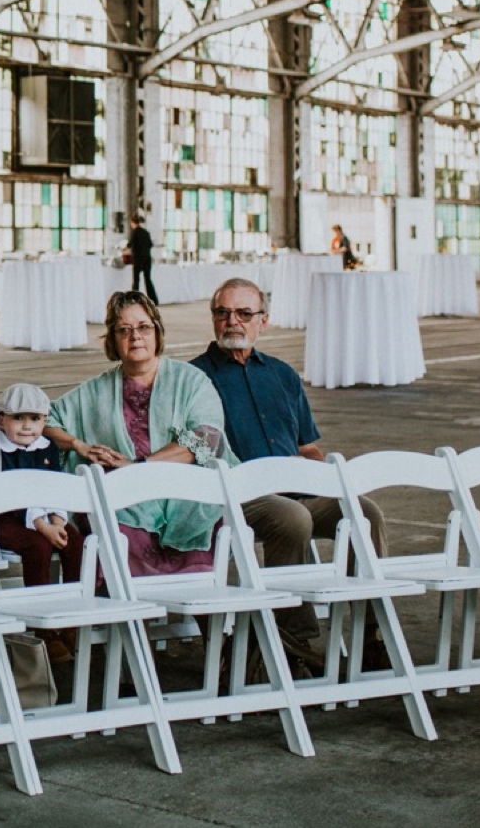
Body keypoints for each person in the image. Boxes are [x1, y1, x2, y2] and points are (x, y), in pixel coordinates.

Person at [191, 277, 386, 670]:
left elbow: (306, 448)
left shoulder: (281, 375)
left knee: (364, 513)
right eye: (223, 312)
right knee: (291, 517)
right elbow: (192, 447)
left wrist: (333, 481)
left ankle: (372, 634)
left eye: (244, 313)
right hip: (234, 498)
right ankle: (293, 640)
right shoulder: (194, 378)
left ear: (263, 320)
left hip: (297, 492)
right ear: (213, 319)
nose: (233, 321)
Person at [45, 291, 232, 577]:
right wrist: (78, 445)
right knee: (115, 529)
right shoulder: (95, 390)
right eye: (124, 330)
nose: (135, 337)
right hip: (127, 503)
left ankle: (200, 616)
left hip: (186, 496)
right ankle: (135, 617)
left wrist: (139, 467)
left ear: (157, 331)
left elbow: (207, 439)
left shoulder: (191, 380)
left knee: (203, 532)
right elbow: (46, 420)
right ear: (112, 339)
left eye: (144, 327)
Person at [0, 382, 84, 662]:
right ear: (1, 420)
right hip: (8, 516)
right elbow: (10, 494)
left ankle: (71, 616)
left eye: (34, 419)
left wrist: (57, 520)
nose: (26, 427)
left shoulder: (47, 448)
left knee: (74, 541)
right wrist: (43, 527)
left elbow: (54, 486)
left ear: (45, 421)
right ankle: (42, 624)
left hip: (45, 512)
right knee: (38, 547)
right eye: (17, 418)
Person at [127, 216, 158, 305]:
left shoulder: (134, 232)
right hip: (147, 258)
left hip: (138, 258)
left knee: (136, 280)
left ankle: (134, 300)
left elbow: (130, 245)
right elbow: (150, 244)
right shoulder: (146, 232)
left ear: (133, 222)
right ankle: (153, 300)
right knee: (148, 279)